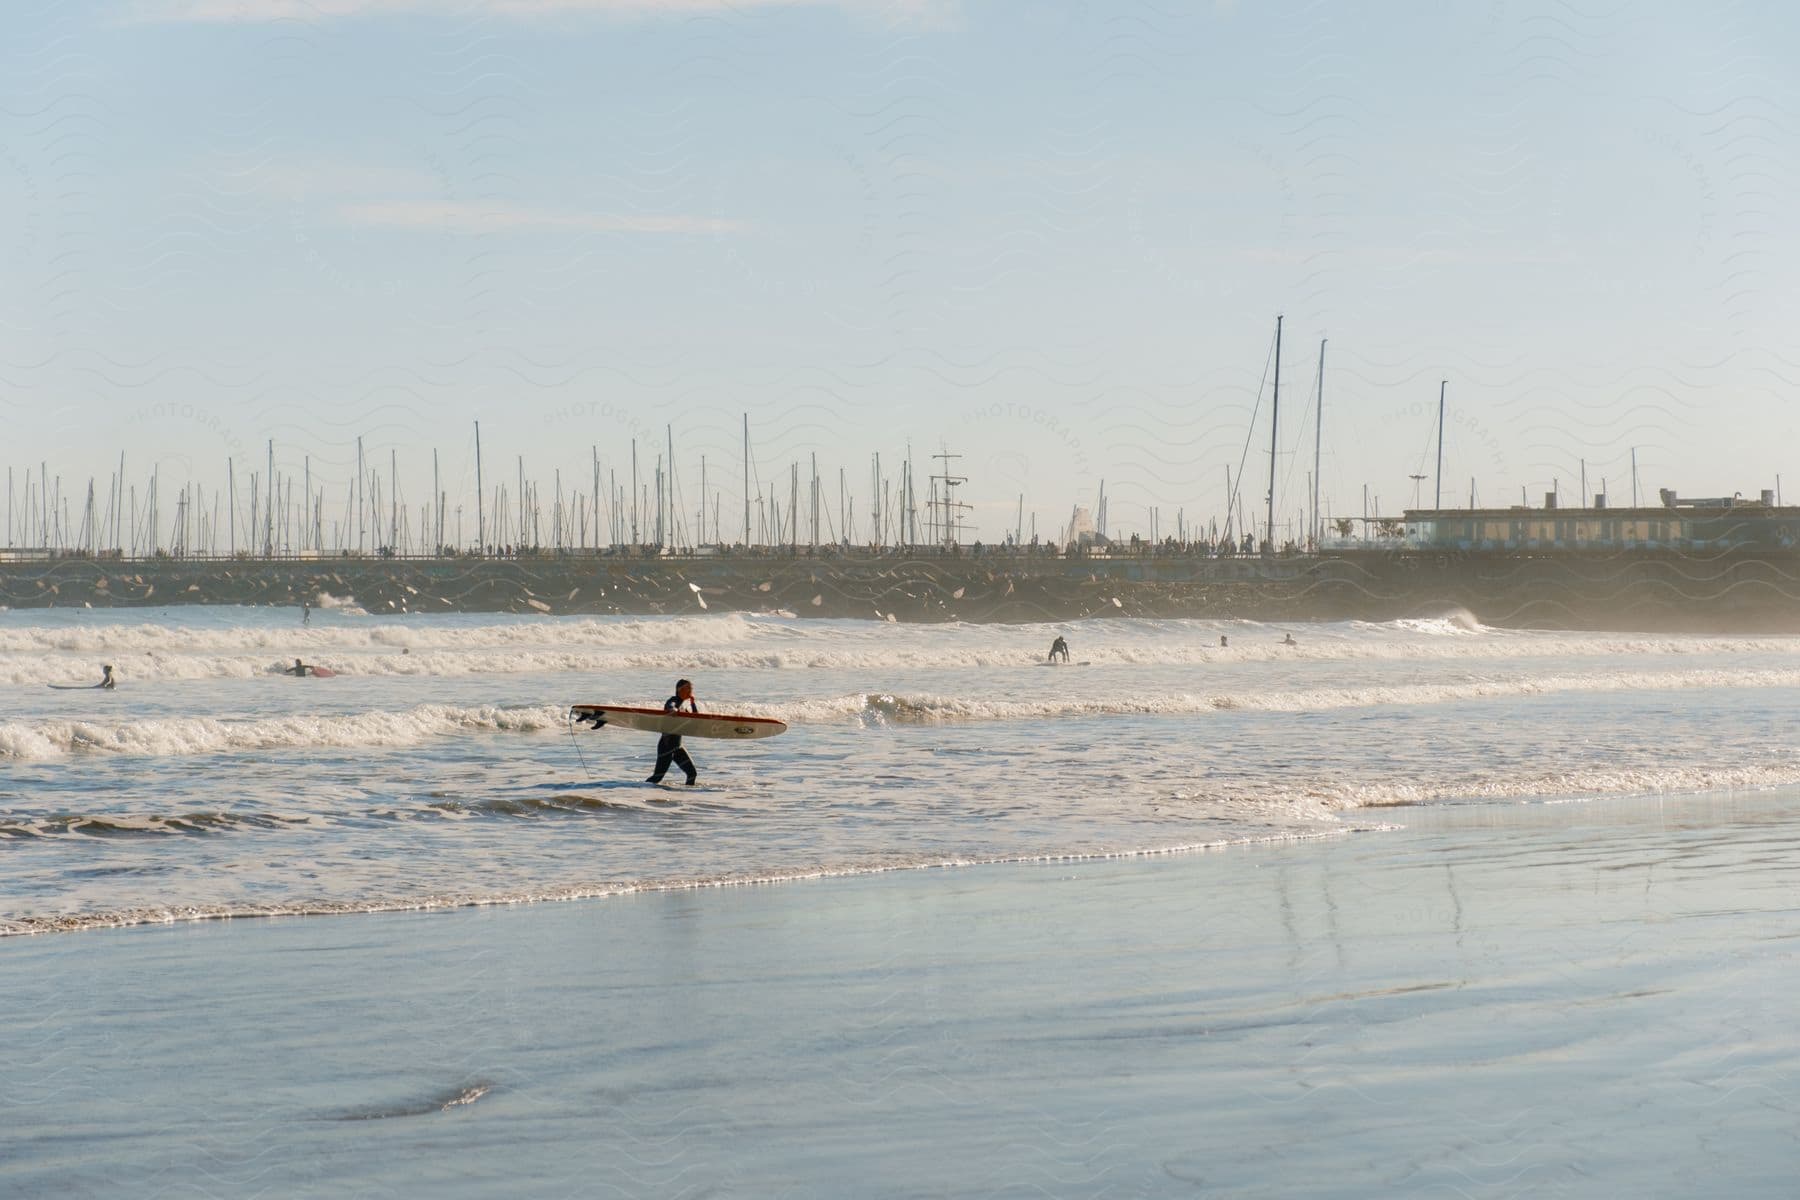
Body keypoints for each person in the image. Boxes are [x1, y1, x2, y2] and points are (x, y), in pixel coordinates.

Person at [647, 678, 699, 786]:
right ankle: (637, 791)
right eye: (688, 688)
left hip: (677, 746)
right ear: (679, 689)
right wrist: (673, 710)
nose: (691, 690)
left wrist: (693, 703)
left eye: (691, 688)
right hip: (667, 746)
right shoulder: (674, 700)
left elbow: (696, 719)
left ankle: (689, 798)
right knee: (657, 777)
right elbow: (671, 705)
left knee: (692, 773)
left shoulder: (684, 705)